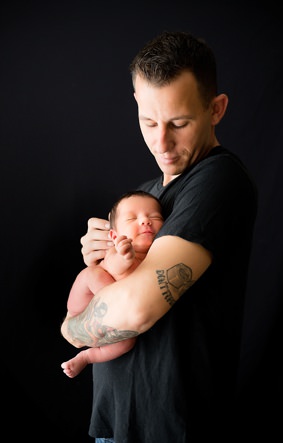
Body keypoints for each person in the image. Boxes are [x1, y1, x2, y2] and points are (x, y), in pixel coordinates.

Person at [61, 30, 258, 442]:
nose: (161, 142)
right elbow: (114, 282)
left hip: (174, 426)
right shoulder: (147, 197)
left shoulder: (217, 180)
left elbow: (134, 311)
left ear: (216, 109)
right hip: (114, 422)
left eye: (179, 123)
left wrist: (70, 327)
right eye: (148, 121)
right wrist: (99, 258)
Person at [61, 191, 164, 378]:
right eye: (132, 218)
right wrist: (125, 256)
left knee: (127, 342)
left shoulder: (159, 253)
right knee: (93, 274)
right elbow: (116, 266)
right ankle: (111, 303)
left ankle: (87, 357)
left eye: (155, 217)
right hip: (85, 300)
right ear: (113, 234)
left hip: (111, 319)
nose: (145, 221)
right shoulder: (117, 251)